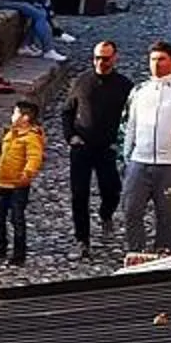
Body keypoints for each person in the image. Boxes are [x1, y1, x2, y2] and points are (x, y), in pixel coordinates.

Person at [120, 41, 171, 258]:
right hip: (140, 160)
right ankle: (136, 251)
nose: (156, 64)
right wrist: (125, 155)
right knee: (131, 209)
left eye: (162, 59)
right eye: (153, 60)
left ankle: (164, 252)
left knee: (167, 214)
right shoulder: (139, 91)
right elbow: (129, 124)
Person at [60, 38, 131, 255]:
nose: (101, 62)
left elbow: (131, 118)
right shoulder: (82, 81)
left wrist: (121, 143)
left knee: (112, 190)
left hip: (108, 148)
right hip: (82, 147)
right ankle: (82, 239)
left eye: (105, 58)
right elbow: (68, 111)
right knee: (79, 194)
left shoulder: (125, 86)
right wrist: (70, 136)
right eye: (97, 58)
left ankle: (106, 214)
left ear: (115, 58)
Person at [0, 98, 44, 266]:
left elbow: (34, 158)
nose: (12, 116)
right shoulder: (11, 134)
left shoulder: (31, 138)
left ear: (25, 118)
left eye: (15, 113)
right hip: (3, 182)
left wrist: (27, 174)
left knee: (17, 218)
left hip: (18, 185)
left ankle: (19, 253)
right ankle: (0, 247)